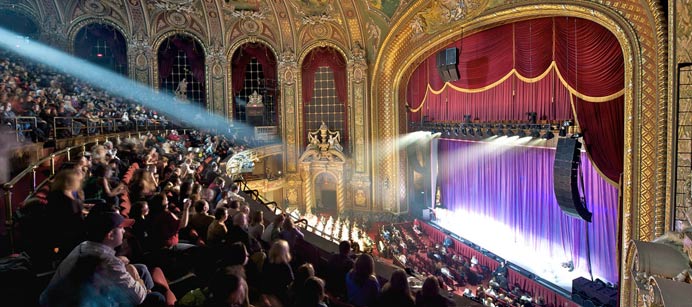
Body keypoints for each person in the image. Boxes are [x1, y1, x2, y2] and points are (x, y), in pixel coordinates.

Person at [40, 210, 165, 307]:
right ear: (110, 235)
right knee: (156, 298)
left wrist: (120, 263)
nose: (124, 231)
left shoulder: (84, 245)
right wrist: (138, 281)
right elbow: (139, 297)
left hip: (59, 300)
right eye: (121, 228)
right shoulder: (108, 262)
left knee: (141, 268)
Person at [46, 169, 85, 257]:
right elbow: (79, 225)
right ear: (72, 183)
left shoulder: (54, 195)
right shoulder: (70, 202)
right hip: (68, 239)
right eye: (78, 181)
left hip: (59, 236)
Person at [261, 240, 294, 305]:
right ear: (285, 252)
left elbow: (263, 275)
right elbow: (290, 280)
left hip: (264, 292)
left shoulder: (267, 260)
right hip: (278, 296)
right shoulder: (285, 266)